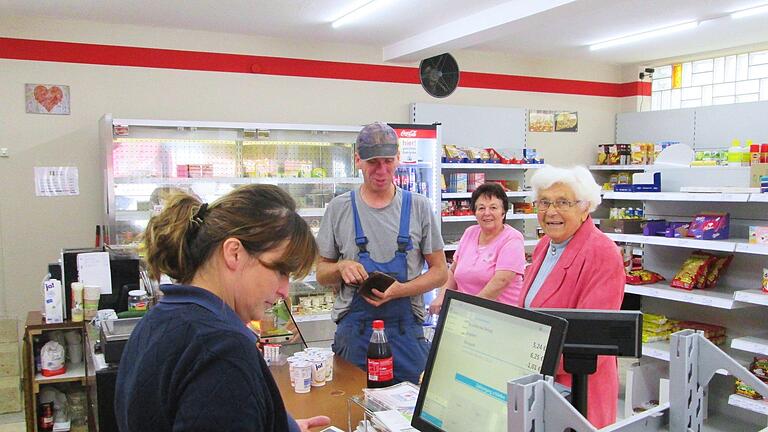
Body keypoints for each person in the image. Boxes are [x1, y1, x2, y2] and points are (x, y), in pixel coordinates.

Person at [115, 184, 330, 432]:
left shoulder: (157, 320)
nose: (284, 290)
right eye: (280, 270)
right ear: (234, 253)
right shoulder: (222, 348)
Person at [316, 122, 448, 384]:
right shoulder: (338, 208)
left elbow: (440, 272)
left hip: (406, 334)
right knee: (350, 411)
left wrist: (399, 290)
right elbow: (321, 272)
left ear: (399, 158)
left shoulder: (419, 207)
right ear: (358, 161)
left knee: (411, 416)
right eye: (373, 162)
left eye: (388, 161)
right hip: (355, 336)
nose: (381, 170)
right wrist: (341, 268)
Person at [519, 165, 625, 428]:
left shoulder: (602, 253)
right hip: (541, 380)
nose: (551, 212)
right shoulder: (546, 244)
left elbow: (593, 343)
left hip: (578, 389)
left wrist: (532, 357)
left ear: (585, 207)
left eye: (563, 202)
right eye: (544, 202)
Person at [428, 182, 526, 314]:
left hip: (500, 316)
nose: (487, 213)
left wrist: (470, 310)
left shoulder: (512, 239)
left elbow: (501, 281)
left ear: (503, 212)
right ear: (474, 212)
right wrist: (441, 297)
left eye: (493, 207)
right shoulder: (470, 233)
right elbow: (453, 271)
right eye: (481, 208)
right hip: (466, 313)